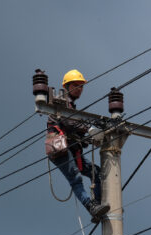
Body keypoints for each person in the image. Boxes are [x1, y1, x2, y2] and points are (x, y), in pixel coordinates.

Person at [47, 69, 109, 223]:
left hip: (72, 148)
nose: (80, 89)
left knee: (97, 173)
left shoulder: (72, 107)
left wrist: (92, 134)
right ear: (67, 86)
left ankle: (98, 206)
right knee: (75, 178)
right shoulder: (60, 103)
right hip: (59, 148)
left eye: (81, 86)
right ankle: (91, 206)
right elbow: (69, 122)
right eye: (76, 85)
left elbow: (76, 128)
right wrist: (89, 129)